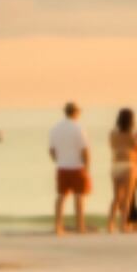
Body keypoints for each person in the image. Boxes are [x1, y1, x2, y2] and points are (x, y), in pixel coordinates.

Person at [48, 101, 91, 236]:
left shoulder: (55, 128)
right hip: (77, 166)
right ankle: (80, 226)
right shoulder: (78, 128)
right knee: (79, 197)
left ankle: (58, 226)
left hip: (62, 166)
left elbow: (52, 150)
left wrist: (58, 160)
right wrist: (87, 167)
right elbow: (84, 150)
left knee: (61, 196)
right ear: (75, 112)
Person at [107, 108, 137, 235]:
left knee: (116, 197)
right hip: (129, 165)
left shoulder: (112, 133)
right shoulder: (131, 134)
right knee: (127, 197)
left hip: (115, 164)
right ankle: (123, 225)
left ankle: (110, 224)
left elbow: (113, 146)